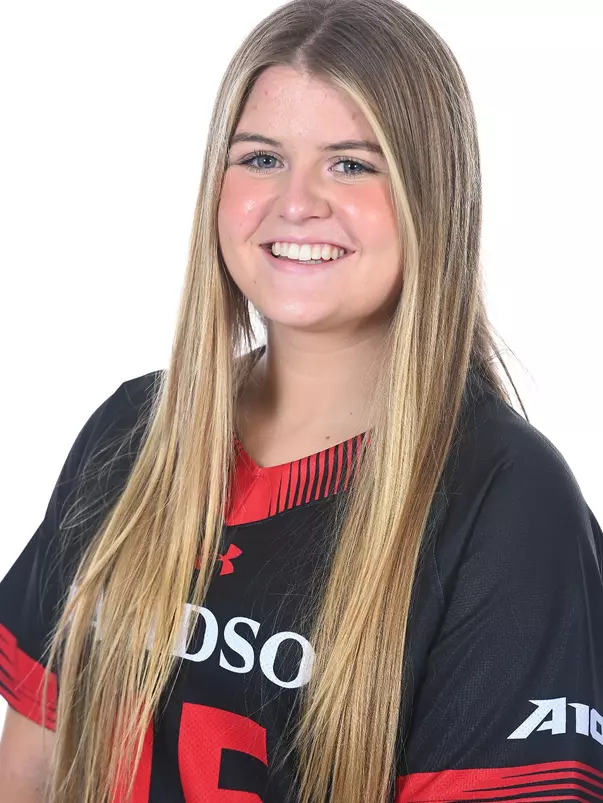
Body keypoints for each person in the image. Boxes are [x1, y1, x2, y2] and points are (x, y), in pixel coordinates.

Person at [1, 0, 602, 801]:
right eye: (259, 158)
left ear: (433, 197)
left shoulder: (508, 505)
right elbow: (32, 767)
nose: (297, 202)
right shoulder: (130, 433)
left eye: (351, 164)